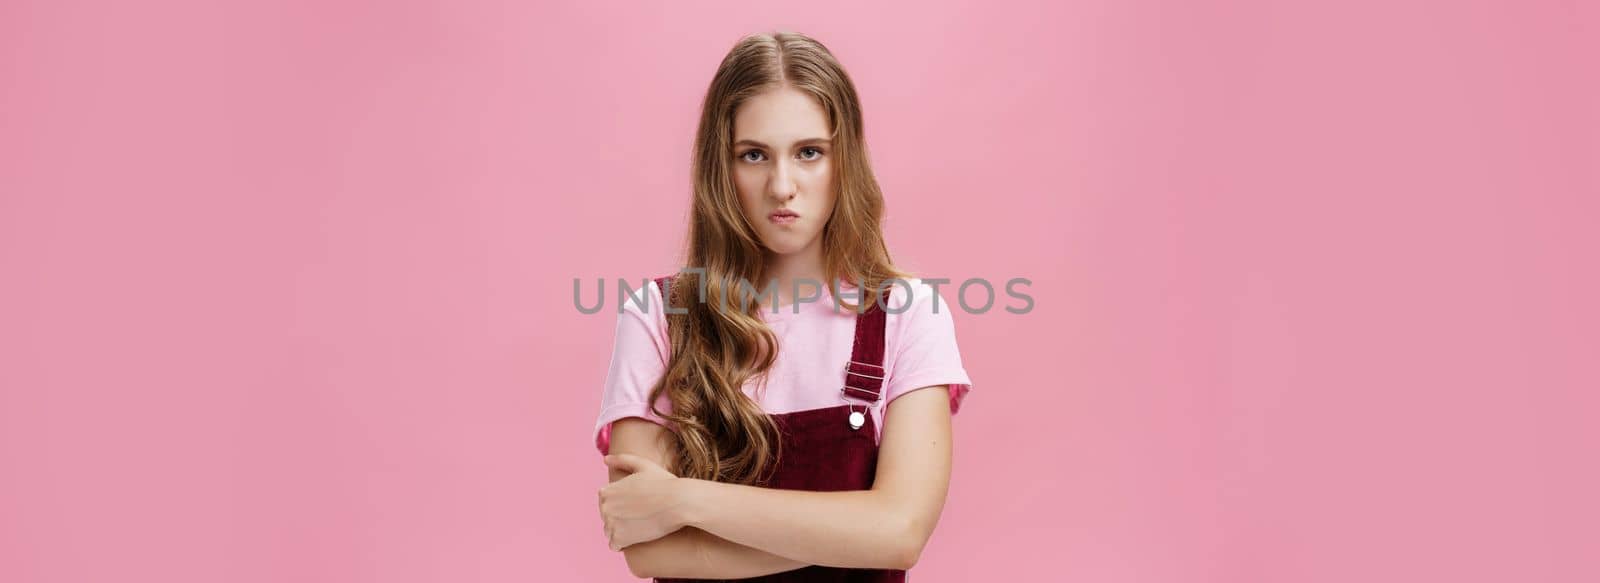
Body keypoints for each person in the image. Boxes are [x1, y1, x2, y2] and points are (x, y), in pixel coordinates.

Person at [593, 31, 974, 582]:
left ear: (845, 162)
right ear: (720, 169)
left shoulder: (909, 313)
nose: (782, 186)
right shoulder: (658, 315)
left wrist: (684, 502)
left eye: (809, 153)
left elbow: (900, 533)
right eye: (753, 155)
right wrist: (853, 530)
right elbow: (648, 550)